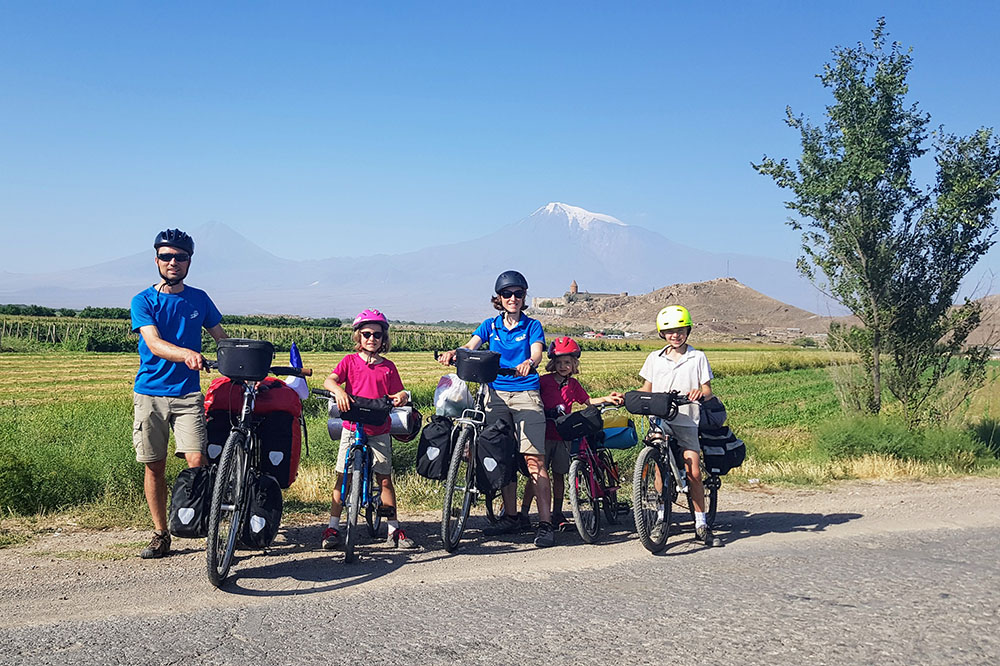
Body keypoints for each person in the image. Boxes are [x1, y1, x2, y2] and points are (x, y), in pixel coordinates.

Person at [438, 271, 555, 547]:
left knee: (534, 460)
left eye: (518, 294)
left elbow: (537, 351)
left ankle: (546, 523)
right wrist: (454, 354)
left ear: (525, 297)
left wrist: (530, 361)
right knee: (501, 456)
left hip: (525, 392)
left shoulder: (532, 326)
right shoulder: (490, 326)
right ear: (498, 299)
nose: (513, 298)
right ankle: (511, 517)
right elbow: (471, 345)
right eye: (507, 294)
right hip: (495, 395)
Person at [130, 229, 228, 559]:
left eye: (180, 257)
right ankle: (161, 533)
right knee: (154, 466)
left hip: (188, 394)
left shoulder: (199, 299)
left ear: (189, 261)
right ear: (156, 259)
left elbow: (220, 338)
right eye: (167, 256)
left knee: (198, 461)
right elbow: (154, 343)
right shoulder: (143, 300)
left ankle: (198, 522)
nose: (173, 262)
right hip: (150, 393)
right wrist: (186, 354)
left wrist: (240, 360)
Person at [321, 309, 417, 550]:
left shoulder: (388, 367)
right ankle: (333, 526)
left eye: (377, 334)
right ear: (358, 337)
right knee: (343, 476)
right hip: (352, 426)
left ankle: (393, 529)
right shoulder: (349, 361)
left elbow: (400, 391)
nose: (371, 339)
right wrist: (340, 391)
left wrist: (402, 396)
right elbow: (329, 381)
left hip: (379, 427)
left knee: (384, 479)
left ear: (383, 339)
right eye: (366, 334)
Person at [637, 305, 722, 547]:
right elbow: (647, 388)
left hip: (686, 418)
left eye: (680, 330)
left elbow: (707, 389)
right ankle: (661, 517)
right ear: (662, 334)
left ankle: (701, 523)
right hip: (660, 418)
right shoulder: (655, 358)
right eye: (670, 331)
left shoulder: (697, 357)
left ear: (688, 331)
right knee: (657, 468)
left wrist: (699, 392)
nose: (675, 335)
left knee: (694, 471)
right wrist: (630, 397)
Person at [520, 336, 624, 529]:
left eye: (567, 362)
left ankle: (557, 513)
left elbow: (588, 401)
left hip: (562, 436)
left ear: (574, 364)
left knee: (559, 475)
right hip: (542, 434)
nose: (562, 366)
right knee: (535, 475)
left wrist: (607, 398)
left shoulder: (573, 385)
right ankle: (524, 513)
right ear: (552, 363)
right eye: (558, 362)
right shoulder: (543, 381)